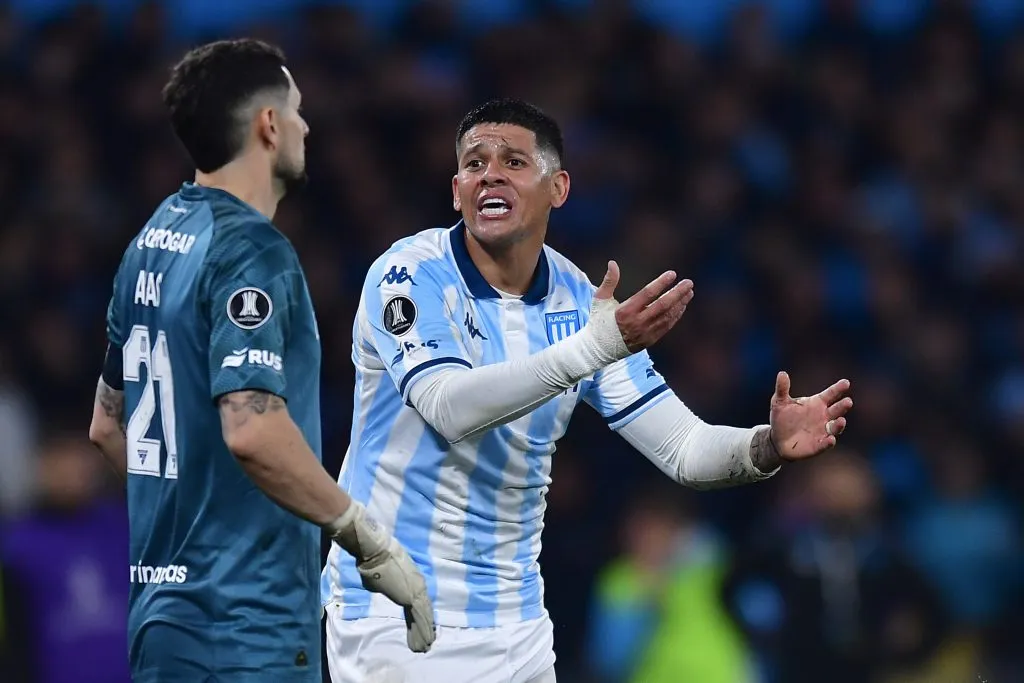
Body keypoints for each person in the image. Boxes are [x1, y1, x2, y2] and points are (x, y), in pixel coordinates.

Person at [320, 97, 853, 683]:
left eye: (514, 162)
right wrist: (592, 349)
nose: (490, 175)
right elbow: (447, 406)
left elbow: (683, 448)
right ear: (456, 191)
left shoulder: (579, 302)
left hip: (517, 623)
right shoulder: (409, 274)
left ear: (559, 188)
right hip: (394, 609)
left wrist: (766, 445)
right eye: (474, 164)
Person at [87, 39, 435, 683]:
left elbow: (109, 427)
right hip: (245, 626)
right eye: (296, 110)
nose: (306, 126)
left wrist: (190, 531)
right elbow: (252, 429)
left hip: (164, 623)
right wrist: (366, 538)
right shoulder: (252, 252)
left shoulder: (151, 242)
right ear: (269, 125)